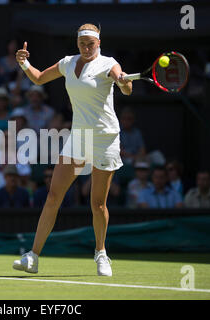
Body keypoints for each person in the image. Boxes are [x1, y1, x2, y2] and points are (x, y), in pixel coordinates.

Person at [11, 24, 133, 276]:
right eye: (82, 44)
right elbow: (38, 78)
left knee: (97, 204)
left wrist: (122, 82)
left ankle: (101, 254)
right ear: (77, 44)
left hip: (105, 138)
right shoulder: (67, 63)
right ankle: (32, 257)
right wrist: (23, 63)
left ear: (99, 43)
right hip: (79, 138)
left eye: (91, 43)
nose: (87, 48)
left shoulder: (109, 63)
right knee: (53, 196)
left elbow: (126, 86)